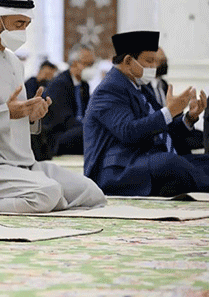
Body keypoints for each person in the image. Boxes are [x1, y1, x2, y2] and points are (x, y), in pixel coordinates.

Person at [0, 0, 106, 213]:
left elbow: (15, 117)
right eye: (19, 23)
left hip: (21, 163)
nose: (23, 31)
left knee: (91, 193)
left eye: (26, 25)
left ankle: (40, 197)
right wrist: (7, 113)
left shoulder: (12, 62)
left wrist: (31, 117)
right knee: (47, 193)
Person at [84, 30, 209, 196]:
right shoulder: (108, 90)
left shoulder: (140, 88)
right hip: (115, 171)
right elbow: (128, 131)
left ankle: (172, 186)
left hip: (144, 159)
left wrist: (189, 117)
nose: (154, 67)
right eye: (149, 61)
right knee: (170, 163)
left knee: (204, 161)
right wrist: (169, 112)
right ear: (128, 61)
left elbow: (162, 129)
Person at [41, 44, 96, 156]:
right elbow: (65, 120)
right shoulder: (59, 84)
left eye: (92, 64)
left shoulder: (84, 86)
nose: (90, 69)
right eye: (87, 64)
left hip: (77, 132)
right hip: (58, 136)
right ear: (74, 63)